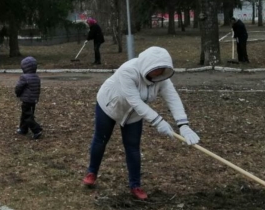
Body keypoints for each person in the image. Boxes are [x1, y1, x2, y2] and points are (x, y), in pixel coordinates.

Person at [82, 46, 200, 200]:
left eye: (162, 69)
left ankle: (135, 185)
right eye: (156, 69)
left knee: (132, 147)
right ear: (147, 65)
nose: (158, 73)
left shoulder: (162, 78)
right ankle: (92, 172)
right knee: (101, 139)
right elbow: (135, 101)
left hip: (134, 115)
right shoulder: (128, 71)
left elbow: (172, 98)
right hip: (110, 105)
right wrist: (159, 122)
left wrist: (183, 125)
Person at [14, 56, 43, 140]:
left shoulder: (24, 77)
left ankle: (36, 130)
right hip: (33, 100)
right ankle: (23, 129)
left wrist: (17, 93)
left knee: (27, 116)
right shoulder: (36, 77)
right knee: (26, 115)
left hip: (26, 100)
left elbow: (19, 87)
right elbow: (37, 88)